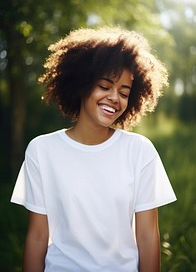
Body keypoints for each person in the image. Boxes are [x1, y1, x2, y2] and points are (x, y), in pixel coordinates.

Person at [11, 26, 176, 272]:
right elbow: (37, 236)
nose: (114, 98)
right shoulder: (42, 150)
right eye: (104, 86)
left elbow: (147, 236)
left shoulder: (140, 151)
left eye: (123, 92)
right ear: (81, 83)